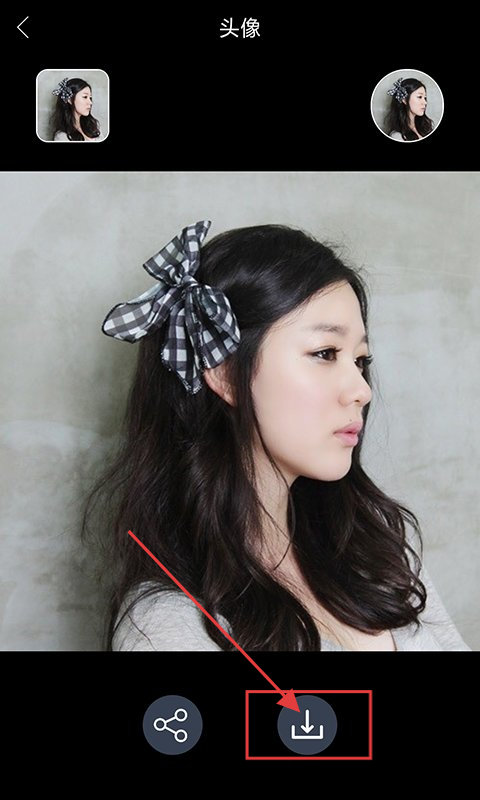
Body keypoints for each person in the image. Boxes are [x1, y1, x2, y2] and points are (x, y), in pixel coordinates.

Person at [86, 221, 470, 652]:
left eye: (361, 359)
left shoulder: (379, 550)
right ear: (224, 372)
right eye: (325, 353)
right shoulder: (168, 626)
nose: (361, 390)